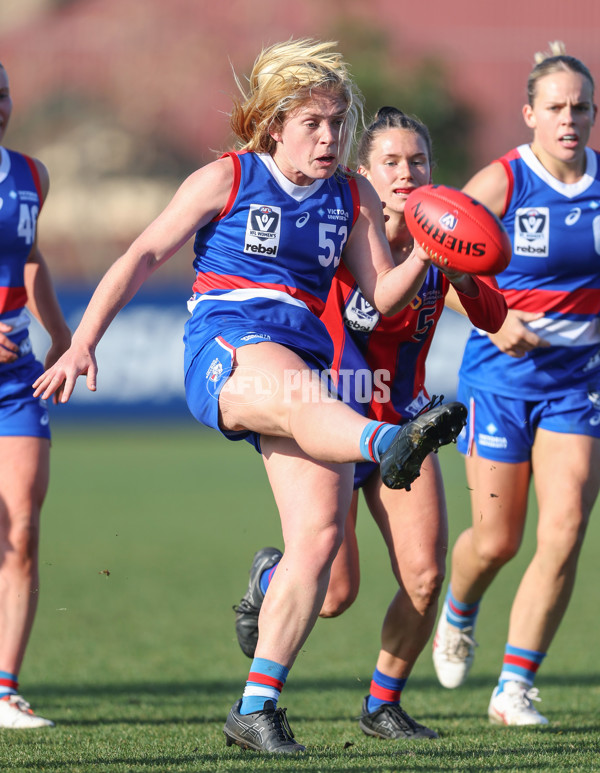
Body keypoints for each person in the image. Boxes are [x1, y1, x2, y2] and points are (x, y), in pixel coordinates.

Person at [32, 40, 468, 753]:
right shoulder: (228, 177)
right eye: (313, 123)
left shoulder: (350, 195)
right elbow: (142, 252)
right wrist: (84, 339)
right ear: (273, 126)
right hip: (229, 346)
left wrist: (426, 249)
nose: (330, 138)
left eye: (337, 123)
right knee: (305, 397)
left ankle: (255, 707)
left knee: (321, 546)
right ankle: (388, 442)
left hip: (301, 364)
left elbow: (383, 298)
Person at [233, 108, 507, 741]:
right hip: (332, 423)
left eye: (418, 161)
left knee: (425, 575)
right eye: (391, 161)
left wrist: (462, 267)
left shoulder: (442, 243)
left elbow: (492, 317)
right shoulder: (336, 239)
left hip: (406, 423)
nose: (406, 173)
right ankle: (269, 578)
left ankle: (382, 705)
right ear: (364, 172)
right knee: (334, 594)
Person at [432, 41, 600, 727]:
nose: (570, 119)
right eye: (556, 107)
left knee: (563, 530)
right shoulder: (503, 182)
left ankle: (515, 687)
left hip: (577, 384)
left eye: (581, 107)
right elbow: (437, 269)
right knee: (496, 539)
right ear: (529, 112)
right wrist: (494, 320)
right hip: (501, 377)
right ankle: (459, 607)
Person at [0, 62, 71, 729]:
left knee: (20, 530)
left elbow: (30, 257)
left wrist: (63, 336)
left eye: (1, 92)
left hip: (15, 380)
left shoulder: (30, 176)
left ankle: (4, 689)